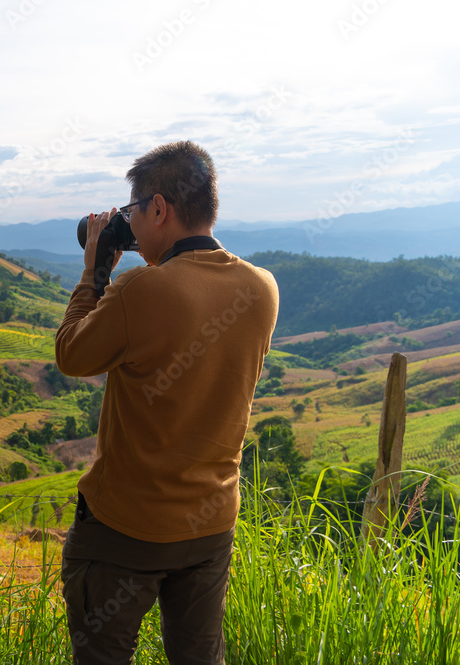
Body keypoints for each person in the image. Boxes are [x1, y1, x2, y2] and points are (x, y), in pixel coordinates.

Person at [55, 140, 279, 664]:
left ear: (159, 208)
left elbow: (72, 354)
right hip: (210, 525)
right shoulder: (262, 288)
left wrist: (94, 269)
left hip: (124, 529)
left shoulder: (140, 290)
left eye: (133, 212)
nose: (130, 226)